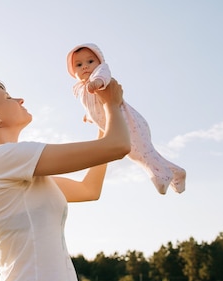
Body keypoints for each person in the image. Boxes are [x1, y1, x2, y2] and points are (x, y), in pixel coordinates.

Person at [0, 79, 131, 281]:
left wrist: (103, 124)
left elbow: (89, 189)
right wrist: (110, 103)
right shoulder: (4, 159)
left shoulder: (12, 168)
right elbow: (118, 145)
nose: (20, 100)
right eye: (8, 98)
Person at [67, 43, 186, 195]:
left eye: (90, 61)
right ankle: (175, 173)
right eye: (78, 64)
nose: (85, 67)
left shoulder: (98, 75)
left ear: (99, 63)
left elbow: (104, 76)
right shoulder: (83, 90)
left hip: (129, 121)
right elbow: (95, 108)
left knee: (144, 152)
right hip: (116, 125)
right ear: (73, 72)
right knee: (137, 156)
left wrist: (97, 82)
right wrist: (89, 116)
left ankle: (161, 176)